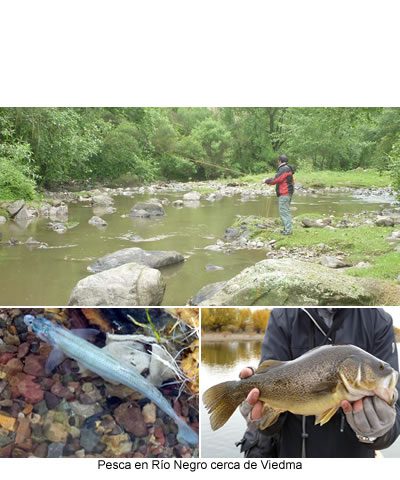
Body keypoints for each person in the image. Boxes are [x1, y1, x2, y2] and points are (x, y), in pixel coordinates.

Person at [237, 308, 400, 458]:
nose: (387, 373)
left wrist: (378, 432)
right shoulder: (282, 316)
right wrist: (263, 419)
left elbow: (395, 417)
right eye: (379, 368)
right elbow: (269, 426)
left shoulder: (380, 321)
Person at [263, 154, 295, 235]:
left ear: (280, 161)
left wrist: (266, 180)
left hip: (284, 193)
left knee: (284, 212)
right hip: (288, 192)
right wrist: (269, 181)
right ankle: (287, 229)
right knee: (285, 211)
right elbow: (281, 180)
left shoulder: (283, 169)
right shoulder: (288, 168)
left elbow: (276, 179)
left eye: (278, 161)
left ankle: (288, 231)